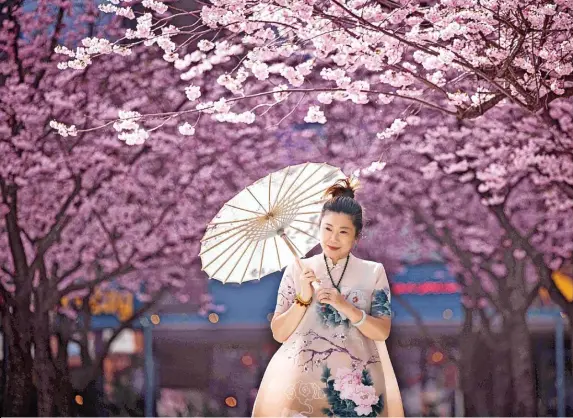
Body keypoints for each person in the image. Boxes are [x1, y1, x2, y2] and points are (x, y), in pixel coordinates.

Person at [252, 177, 403, 417]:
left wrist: (343, 305)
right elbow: (279, 333)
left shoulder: (373, 272)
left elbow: (382, 331)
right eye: (327, 229)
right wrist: (303, 296)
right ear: (318, 228)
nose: (333, 238)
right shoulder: (299, 269)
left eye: (343, 232)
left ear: (356, 237)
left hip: (355, 392)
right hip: (304, 386)